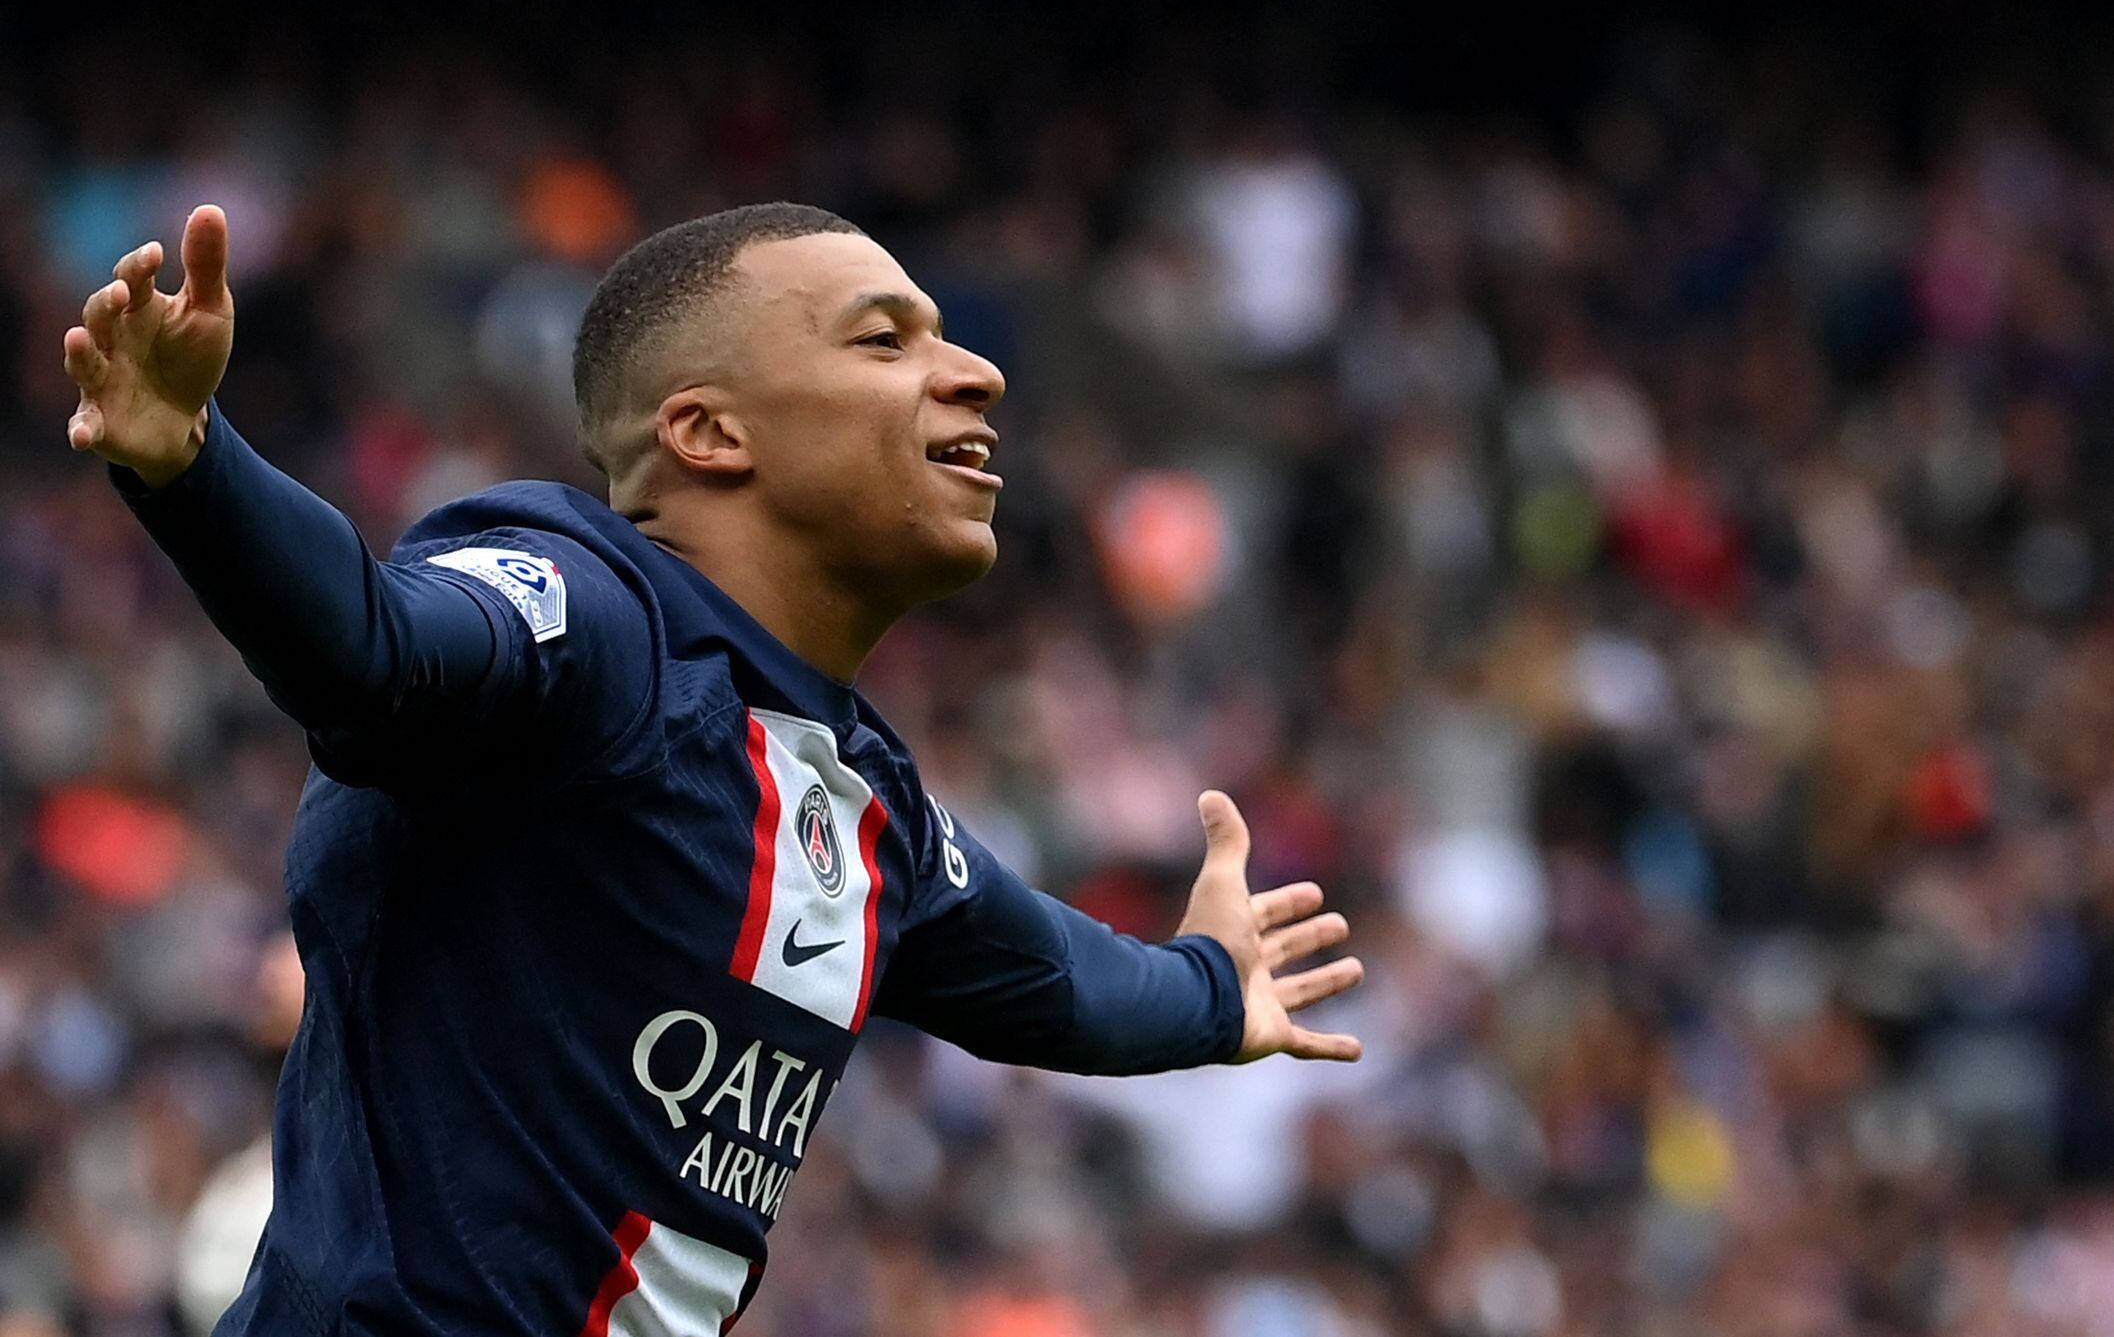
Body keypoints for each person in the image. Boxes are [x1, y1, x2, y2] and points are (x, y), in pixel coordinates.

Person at [59, 202, 1365, 1336]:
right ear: (707, 432)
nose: (974, 372)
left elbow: (1065, 980)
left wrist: (1211, 985)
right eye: (882, 338)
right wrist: (192, 466)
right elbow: (380, 647)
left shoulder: (865, 808)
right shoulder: (597, 620)